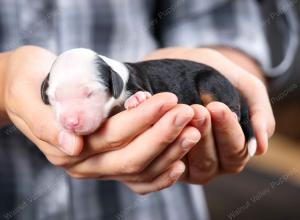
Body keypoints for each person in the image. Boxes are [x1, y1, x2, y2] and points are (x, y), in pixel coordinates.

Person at [1, 0, 297, 219]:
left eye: (89, 94)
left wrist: (230, 64)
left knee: (215, 99)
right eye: (55, 98)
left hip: (160, 195)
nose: (70, 117)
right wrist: (5, 87)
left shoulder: (128, 85)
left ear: (115, 84)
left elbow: (221, 12)